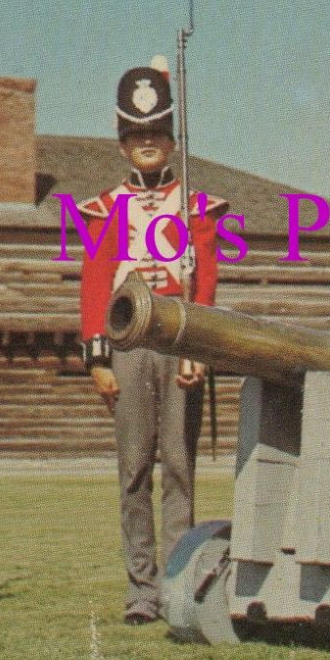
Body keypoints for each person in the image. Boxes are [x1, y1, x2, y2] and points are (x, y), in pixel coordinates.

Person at [79, 56, 228, 624]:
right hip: (129, 345)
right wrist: (97, 355)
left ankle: (177, 580)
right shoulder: (105, 208)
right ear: (123, 143)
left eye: (156, 133)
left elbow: (206, 283)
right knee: (134, 468)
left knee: (179, 466)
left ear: (171, 140)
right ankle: (141, 587)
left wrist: (199, 351)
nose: (147, 144)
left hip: (177, 343)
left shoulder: (196, 208)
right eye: (136, 134)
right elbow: (96, 284)